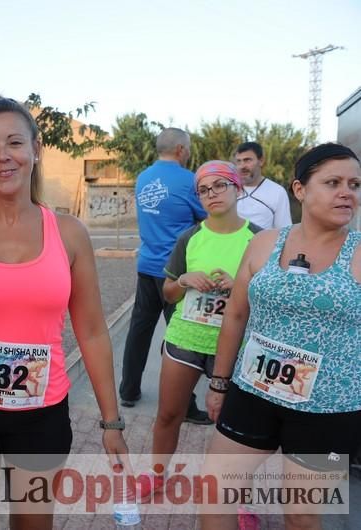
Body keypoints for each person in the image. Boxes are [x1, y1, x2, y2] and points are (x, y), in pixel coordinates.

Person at [0, 97, 129, 530]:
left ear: (36, 149)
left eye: (14, 142)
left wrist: (111, 420)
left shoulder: (70, 234)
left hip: (41, 414)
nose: (3, 156)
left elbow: (91, 331)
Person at [201, 143, 361, 530]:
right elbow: (236, 314)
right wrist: (219, 384)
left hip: (328, 409)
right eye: (333, 182)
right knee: (215, 492)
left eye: (355, 184)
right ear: (300, 190)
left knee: (301, 515)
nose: (347, 192)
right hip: (252, 392)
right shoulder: (264, 242)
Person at [139, 161, 260, 501]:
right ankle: (157, 475)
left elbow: (268, 298)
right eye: (204, 190)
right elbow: (168, 291)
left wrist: (240, 286)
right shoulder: (190, 237)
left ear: (238, 188)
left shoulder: (259, 238)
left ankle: (238, 497)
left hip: (235, 347)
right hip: (187, 338)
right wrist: (183, 280)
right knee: (168, 413)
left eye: (220, 186)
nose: (212, 195)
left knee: (239, 431)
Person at [119, 127, 211, 424]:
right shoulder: (189, 181)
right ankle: (185, 405)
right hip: (176, 272)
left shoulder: (144, 178)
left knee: (139, 331)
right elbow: (207, 219)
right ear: (182, 150)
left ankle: (128, 391)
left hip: (146, 266)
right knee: (183, 338)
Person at [234, 141, 292, 229]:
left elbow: (284, 231)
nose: (242, 166)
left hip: (264, 242)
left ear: (261, 161)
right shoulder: (229, 189)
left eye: (247, 160)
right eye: (239, 161)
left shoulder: (277, 192)